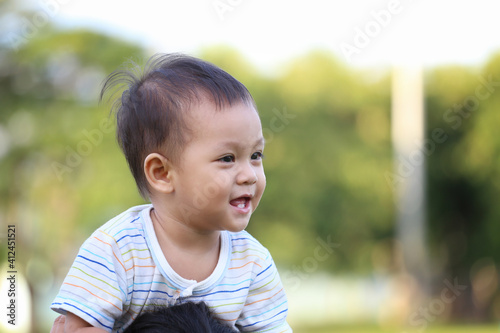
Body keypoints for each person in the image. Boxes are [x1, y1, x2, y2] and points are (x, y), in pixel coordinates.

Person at [51, 53, 291, 332]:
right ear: (162, 173)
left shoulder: (252, 261)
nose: (250, 174)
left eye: (256, 155)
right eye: (227, 158)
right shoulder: (117, 249)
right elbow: (76, 328)